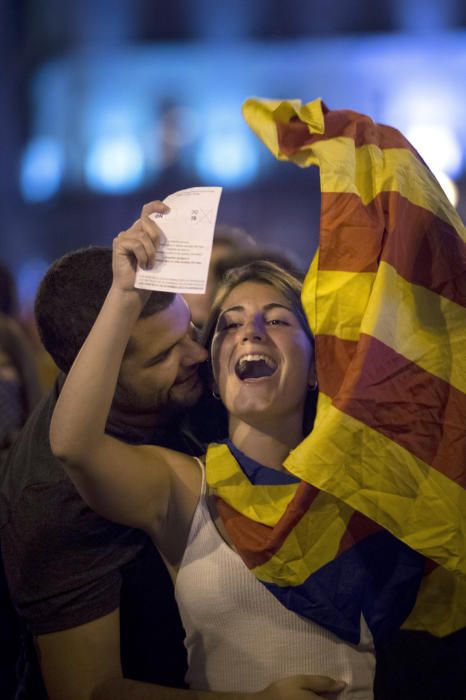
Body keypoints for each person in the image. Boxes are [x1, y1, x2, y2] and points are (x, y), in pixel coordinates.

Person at [49, 199, 365, 699]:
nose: (250, 332)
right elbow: (72, 445)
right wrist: (126, 294)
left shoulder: (370, 478)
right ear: (215, 375)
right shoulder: (183, 486)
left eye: (278, 321)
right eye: (229, 325)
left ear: (316, 368)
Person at [0, 242, 209, 700]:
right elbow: (89, 691)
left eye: (190, 329)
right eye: (162, 357)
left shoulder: (197, 376)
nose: (197, 355)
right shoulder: (53, 500)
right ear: (96, 372)